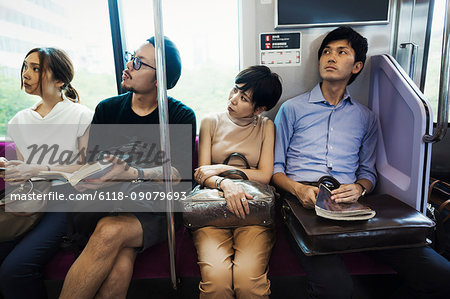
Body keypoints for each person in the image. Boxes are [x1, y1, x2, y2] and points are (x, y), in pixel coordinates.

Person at [273, 26, 450, 298]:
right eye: (326, 52)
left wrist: (359, 189)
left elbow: (368, 172)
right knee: (336, 288)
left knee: (439, 273)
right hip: (301, 201)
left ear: (356, 66)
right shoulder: (292, 109)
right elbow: (276, 170)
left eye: (341, 52)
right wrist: (298, 190)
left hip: (348, 200)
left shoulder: (365, 117)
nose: (330, 57)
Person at [59, 36, 196, 299]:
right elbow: (93, 164)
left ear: (159, 80)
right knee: (119, 265)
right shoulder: (108, 109)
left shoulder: (179, 115)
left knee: (110, 231)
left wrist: (135, 173)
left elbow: (178, 175)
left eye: (138, 63)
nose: (128, 66)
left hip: (156, 209)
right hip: (111, 200)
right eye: (130, 57)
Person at [0, 47, 93, 299]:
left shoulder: (80, 115)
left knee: (15, 270)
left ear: (60, 80)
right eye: (25, 66)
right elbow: (22, 175)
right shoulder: (18, 121)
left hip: (65, 201)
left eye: (35, 68)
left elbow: (87, 169)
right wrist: (11, 171)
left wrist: (37, 169)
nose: (25, 73)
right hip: (29, 199)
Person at [193, 65, 282, 298]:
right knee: (217, 282)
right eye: (234, 90)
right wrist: (226, 183)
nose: (232, 99)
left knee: (248, 283)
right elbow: (202, 174)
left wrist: (222, 167)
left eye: (243, 98)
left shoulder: (266, 127)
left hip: (253, 212)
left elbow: (265, 175)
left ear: (259, 109)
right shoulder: (210, 122)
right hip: (212, 210)